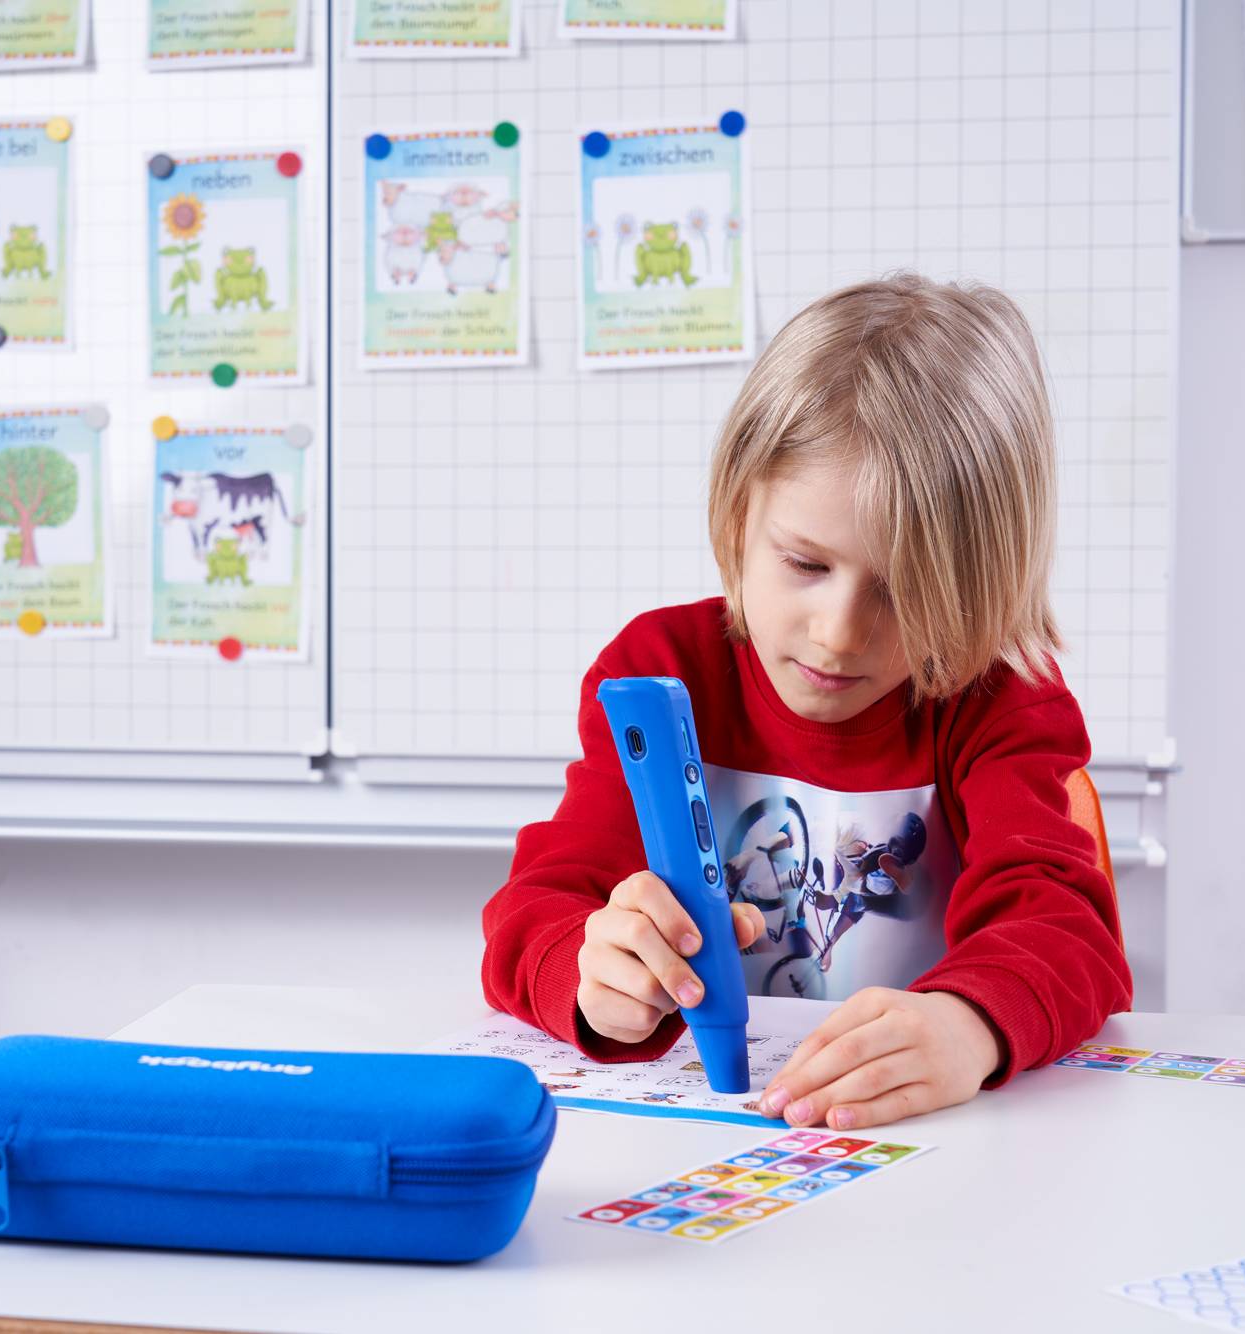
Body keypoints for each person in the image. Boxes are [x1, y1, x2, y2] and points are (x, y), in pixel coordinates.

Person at [480, 273, 1131, 1132]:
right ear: (738, 514)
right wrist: (589, 968)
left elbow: (1067, 931)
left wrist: (971, 1025)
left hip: (928, 1159)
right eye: (806, 564)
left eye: (904, 592)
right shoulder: (659, 669)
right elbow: (537, 910)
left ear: (982, 585)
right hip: (703, 1149)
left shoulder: (1000, 703)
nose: (838, 634)